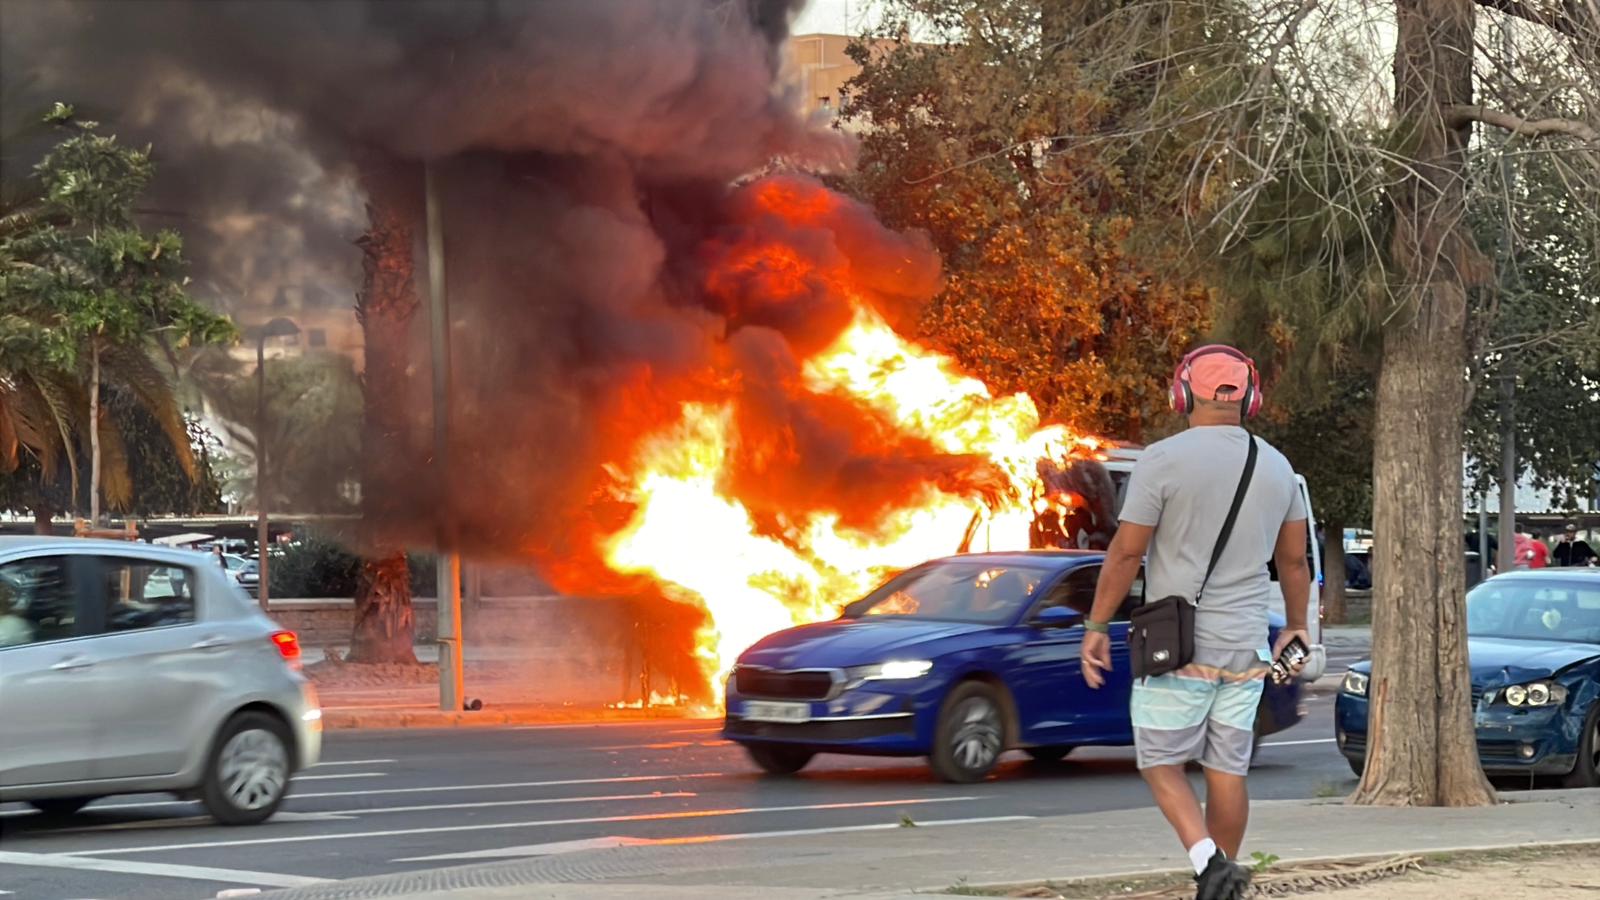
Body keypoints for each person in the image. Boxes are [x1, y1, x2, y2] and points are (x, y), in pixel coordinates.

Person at [1081, 344, 1311, 900]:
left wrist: (1095, 626)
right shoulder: (1278, 466)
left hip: (1178, 645)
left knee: (1160, 761)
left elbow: (1124, 555)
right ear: (1249, 397)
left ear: (1182, 392)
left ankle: (1209, 861)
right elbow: (1294, 562)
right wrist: (1297, 627)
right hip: (1247, 646)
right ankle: (1221, 880)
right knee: (1227, 770)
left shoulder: (1160, 461)